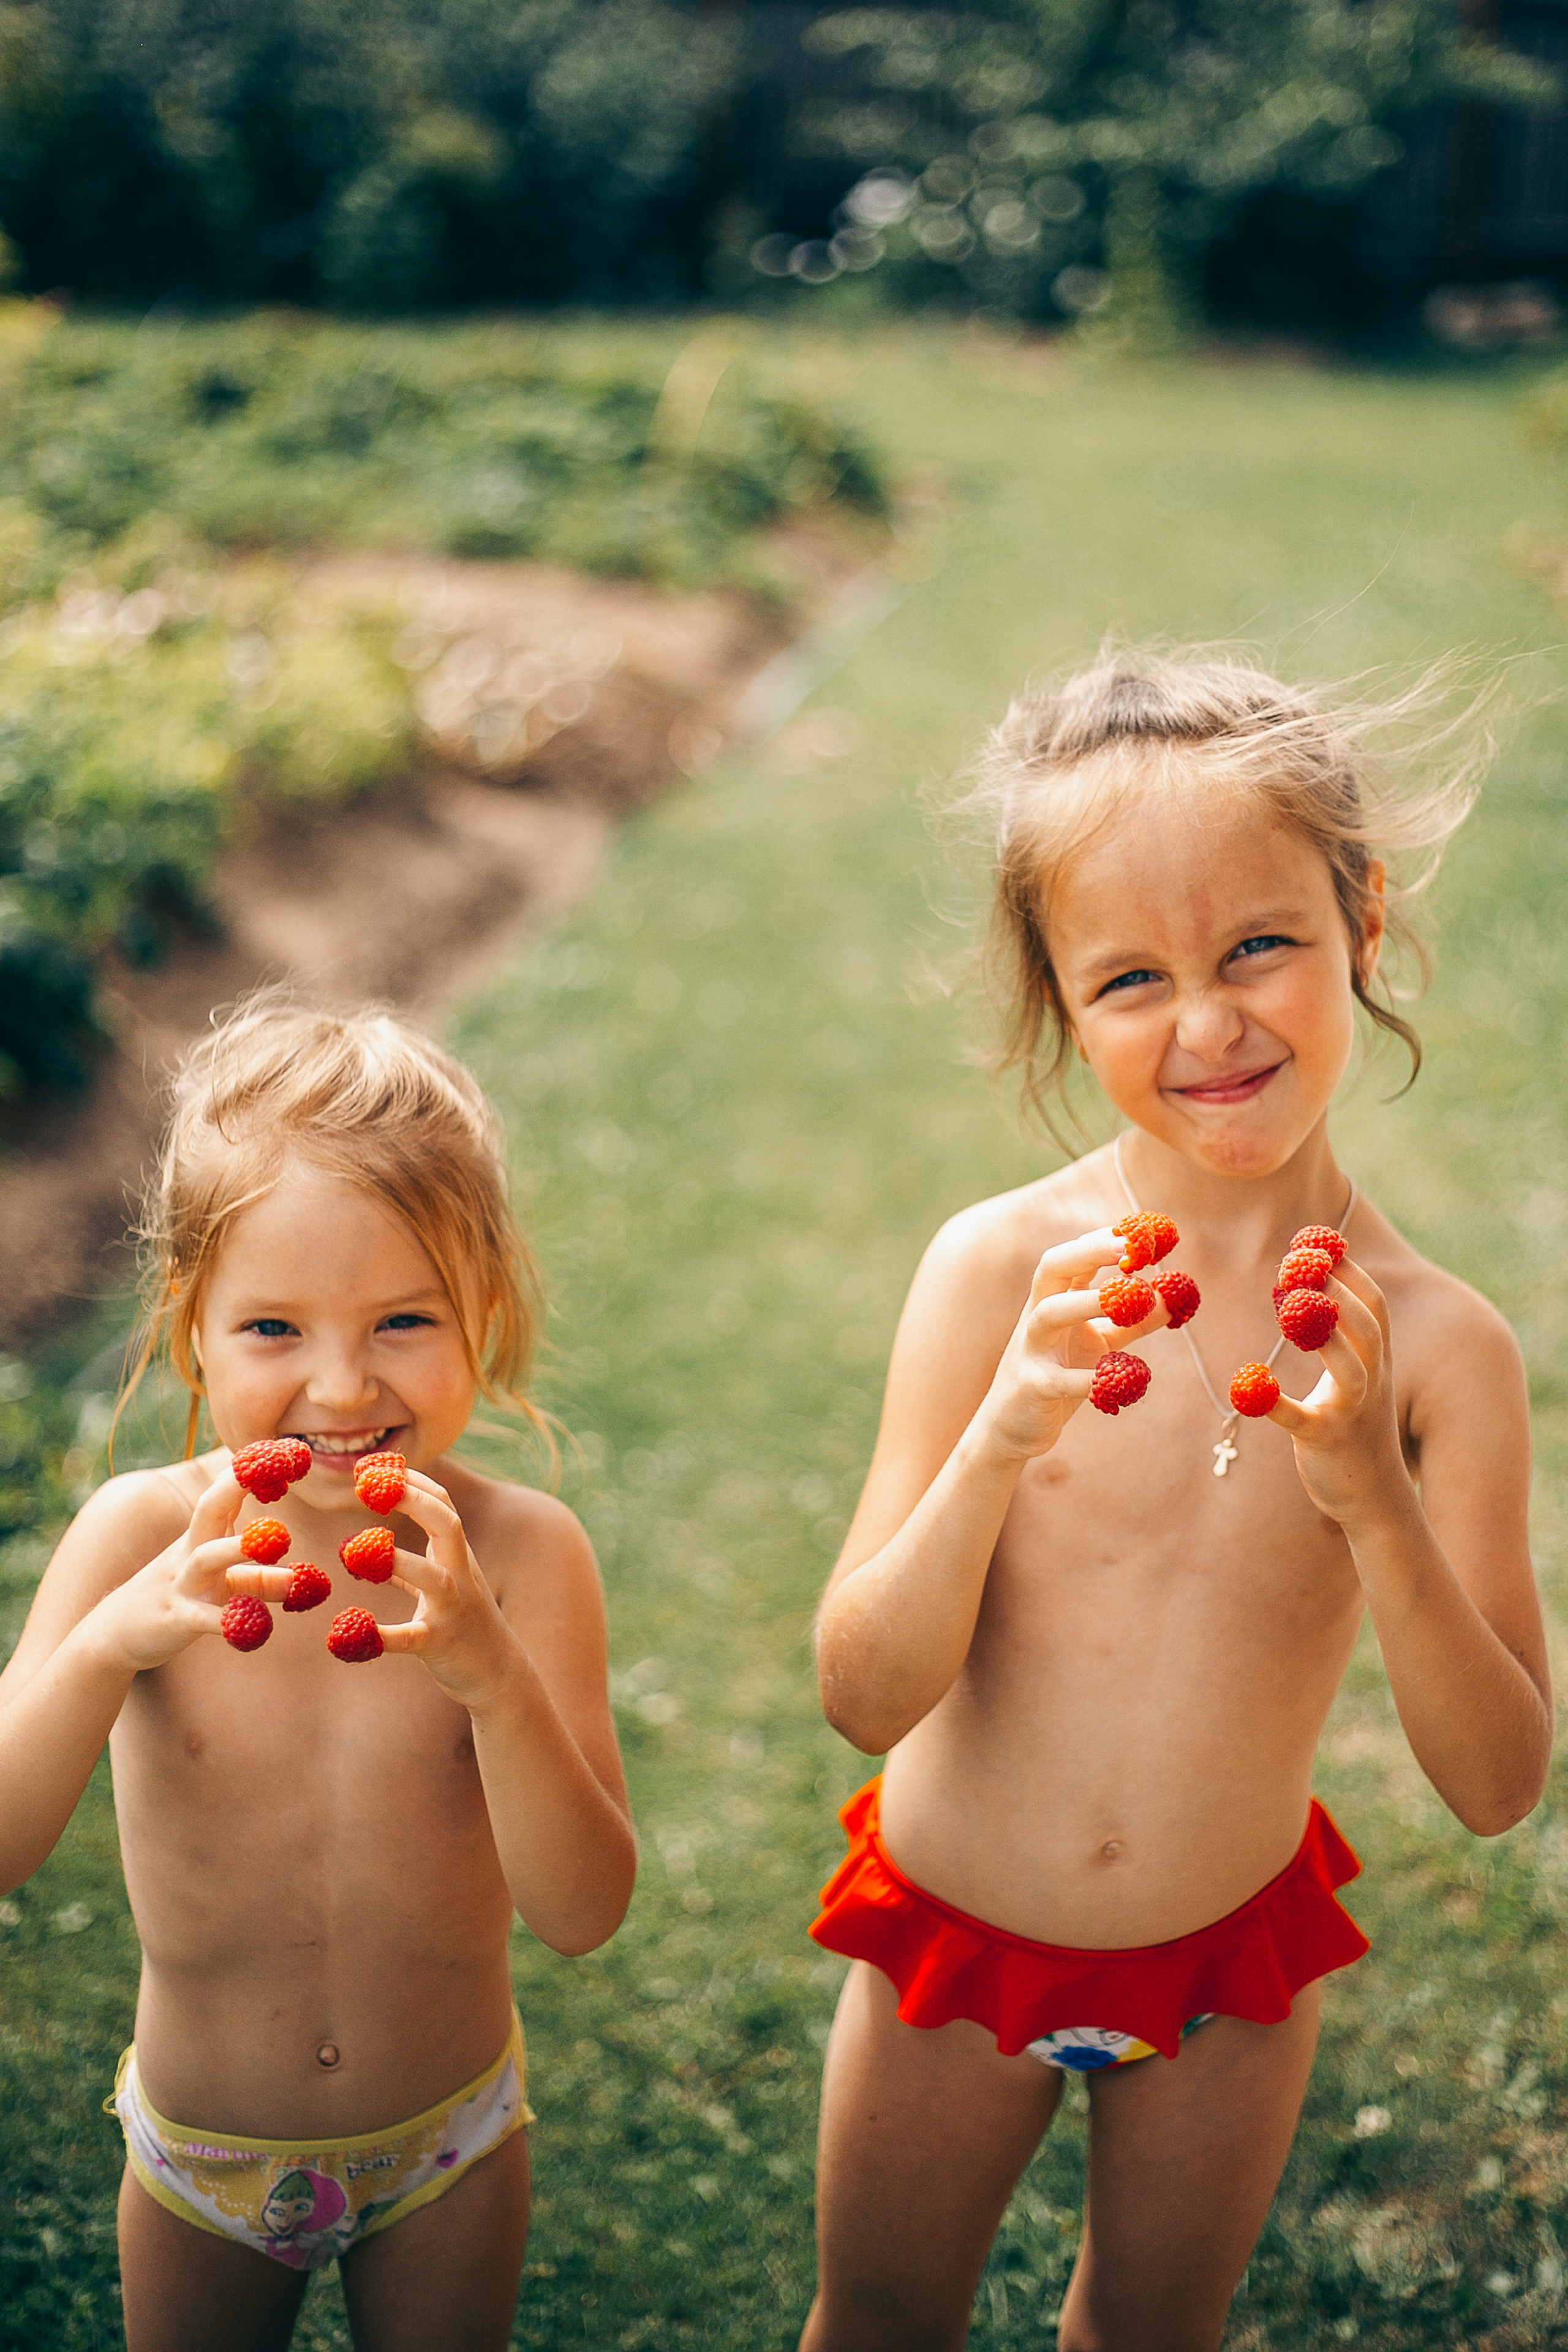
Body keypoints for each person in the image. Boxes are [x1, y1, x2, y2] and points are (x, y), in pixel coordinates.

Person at [801, 655, 1550, 2352]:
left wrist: (1371, 1498)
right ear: (1061, 1001)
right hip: (951, 1962)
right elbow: (862, 1693)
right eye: (1131, 978)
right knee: (877, 2325)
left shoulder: (1440, 1352)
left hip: (1226, 1982)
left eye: (1258, 947)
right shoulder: (996, 1273)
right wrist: (1003, 1433)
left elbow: (1500, 1783)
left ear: (1362, 917)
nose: (1207, 1026)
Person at [0, 995, 636, 2352]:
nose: (342, 1388)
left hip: (450, 2144)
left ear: (486, 1310)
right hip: (204, 2160)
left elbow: (582, 1910)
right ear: (190, 1333)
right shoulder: (137, 1541)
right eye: (274, 1330)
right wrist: (117, 1638)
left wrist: (491, 1676)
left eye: (402, 1320)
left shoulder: (523, 1556)